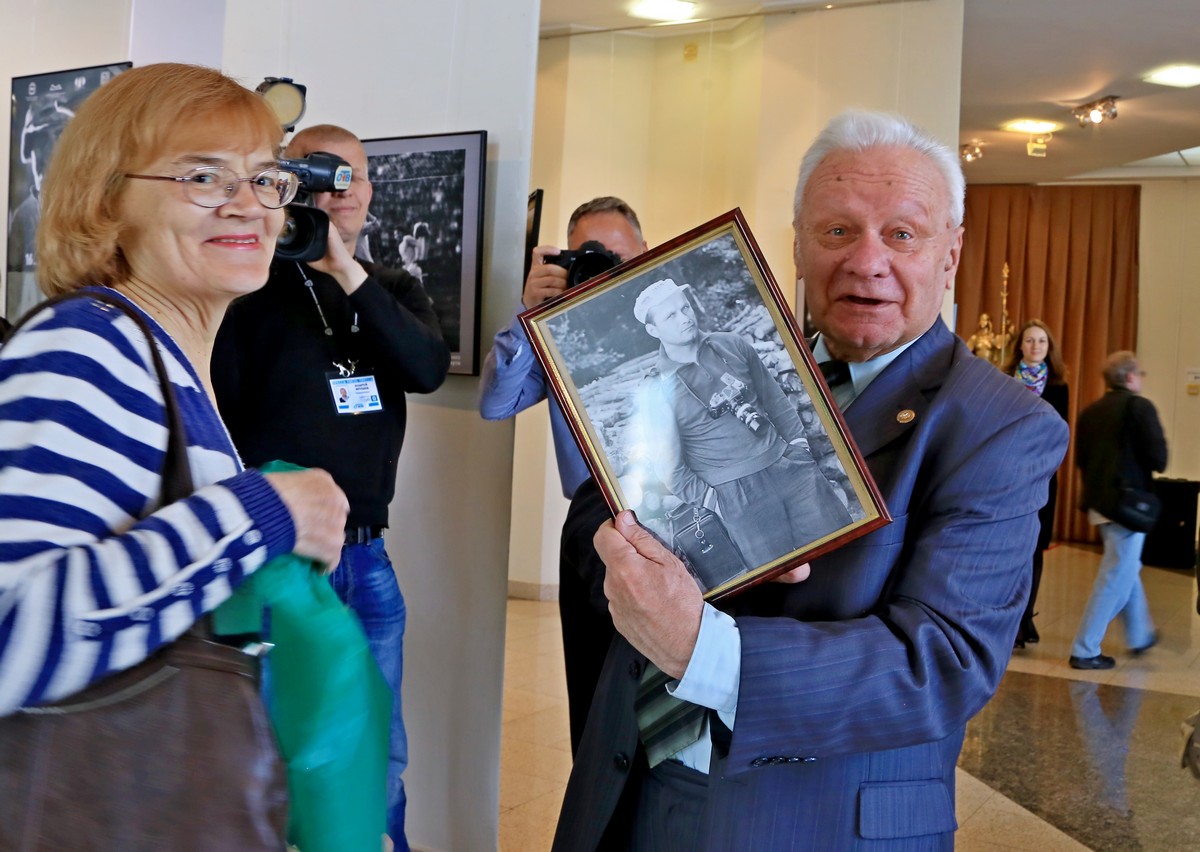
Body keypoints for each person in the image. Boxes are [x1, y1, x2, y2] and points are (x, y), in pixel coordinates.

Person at [552, 110, 1069, 850]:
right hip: (634, 788)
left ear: (949, 253)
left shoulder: (1000, 425)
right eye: (836, 231)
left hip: (812, 822)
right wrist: (631, 537)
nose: (866, 261)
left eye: (902, 233)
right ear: (795, 243)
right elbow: (595, 510)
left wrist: (700, 646)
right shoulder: (756, 350)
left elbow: (943, 661)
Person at [0, 61, 348, 839]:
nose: (250, 206)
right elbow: (8, 634)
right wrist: (262, 512)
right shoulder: (89, 349)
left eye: (266, 179)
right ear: (106, 201)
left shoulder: (165, 358)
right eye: (203, 176)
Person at [213, 123, 450, 851]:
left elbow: (425, 368)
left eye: (351, 177)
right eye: (318, 178)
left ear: (370, 191)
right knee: (274, 746)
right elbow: (220, 410)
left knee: (378, 751)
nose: (336, 193)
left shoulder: (393, 288)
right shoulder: (252, 288)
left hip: (369, 560)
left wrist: (345, 271)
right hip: (278, 563)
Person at [479, 196, 648, 755]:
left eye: (616, 257)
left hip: (674, 531)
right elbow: (497, 404)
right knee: (593, 694)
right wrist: (528, 316)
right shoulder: (556, 337)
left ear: (647, 254)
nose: (604, 269)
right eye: (589, 256)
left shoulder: (675, 323)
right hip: (588, 536)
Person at [633, 278, 851, 579]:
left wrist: (799, 449)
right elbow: (669, 467)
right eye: (671, 315)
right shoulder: (657, 388)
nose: (685, 318)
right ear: (652, 330)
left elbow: (774, 399)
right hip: (736, 496)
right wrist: (715, 502)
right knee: (778, 585)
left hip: (791, 470)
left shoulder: (731, 344)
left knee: (843, 557)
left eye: (684, 308)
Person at [1068, 351, 1166, 670]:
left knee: (1125, 566)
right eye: (1140, 373)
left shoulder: (1091, 412)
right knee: (1115, 575)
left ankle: (1139, 635)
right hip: (1127, 505)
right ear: (1130, 377)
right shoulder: (1139, 407)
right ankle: (1085, 648)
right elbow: (1159, 458)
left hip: (1099, 503)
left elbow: (1082, 459)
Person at [1004, 319, 1070, 648]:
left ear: (1049, 348)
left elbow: (1059, 435)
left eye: (1041, 342)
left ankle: (1025, 621)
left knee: (1034, 551)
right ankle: (1006, 620)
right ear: (1020, 346)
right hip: (1007, 477)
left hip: (1043, 477)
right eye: (1029, 340)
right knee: (1009, 547)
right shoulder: (1004, 381)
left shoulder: (1058, 386)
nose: (1035, 347)